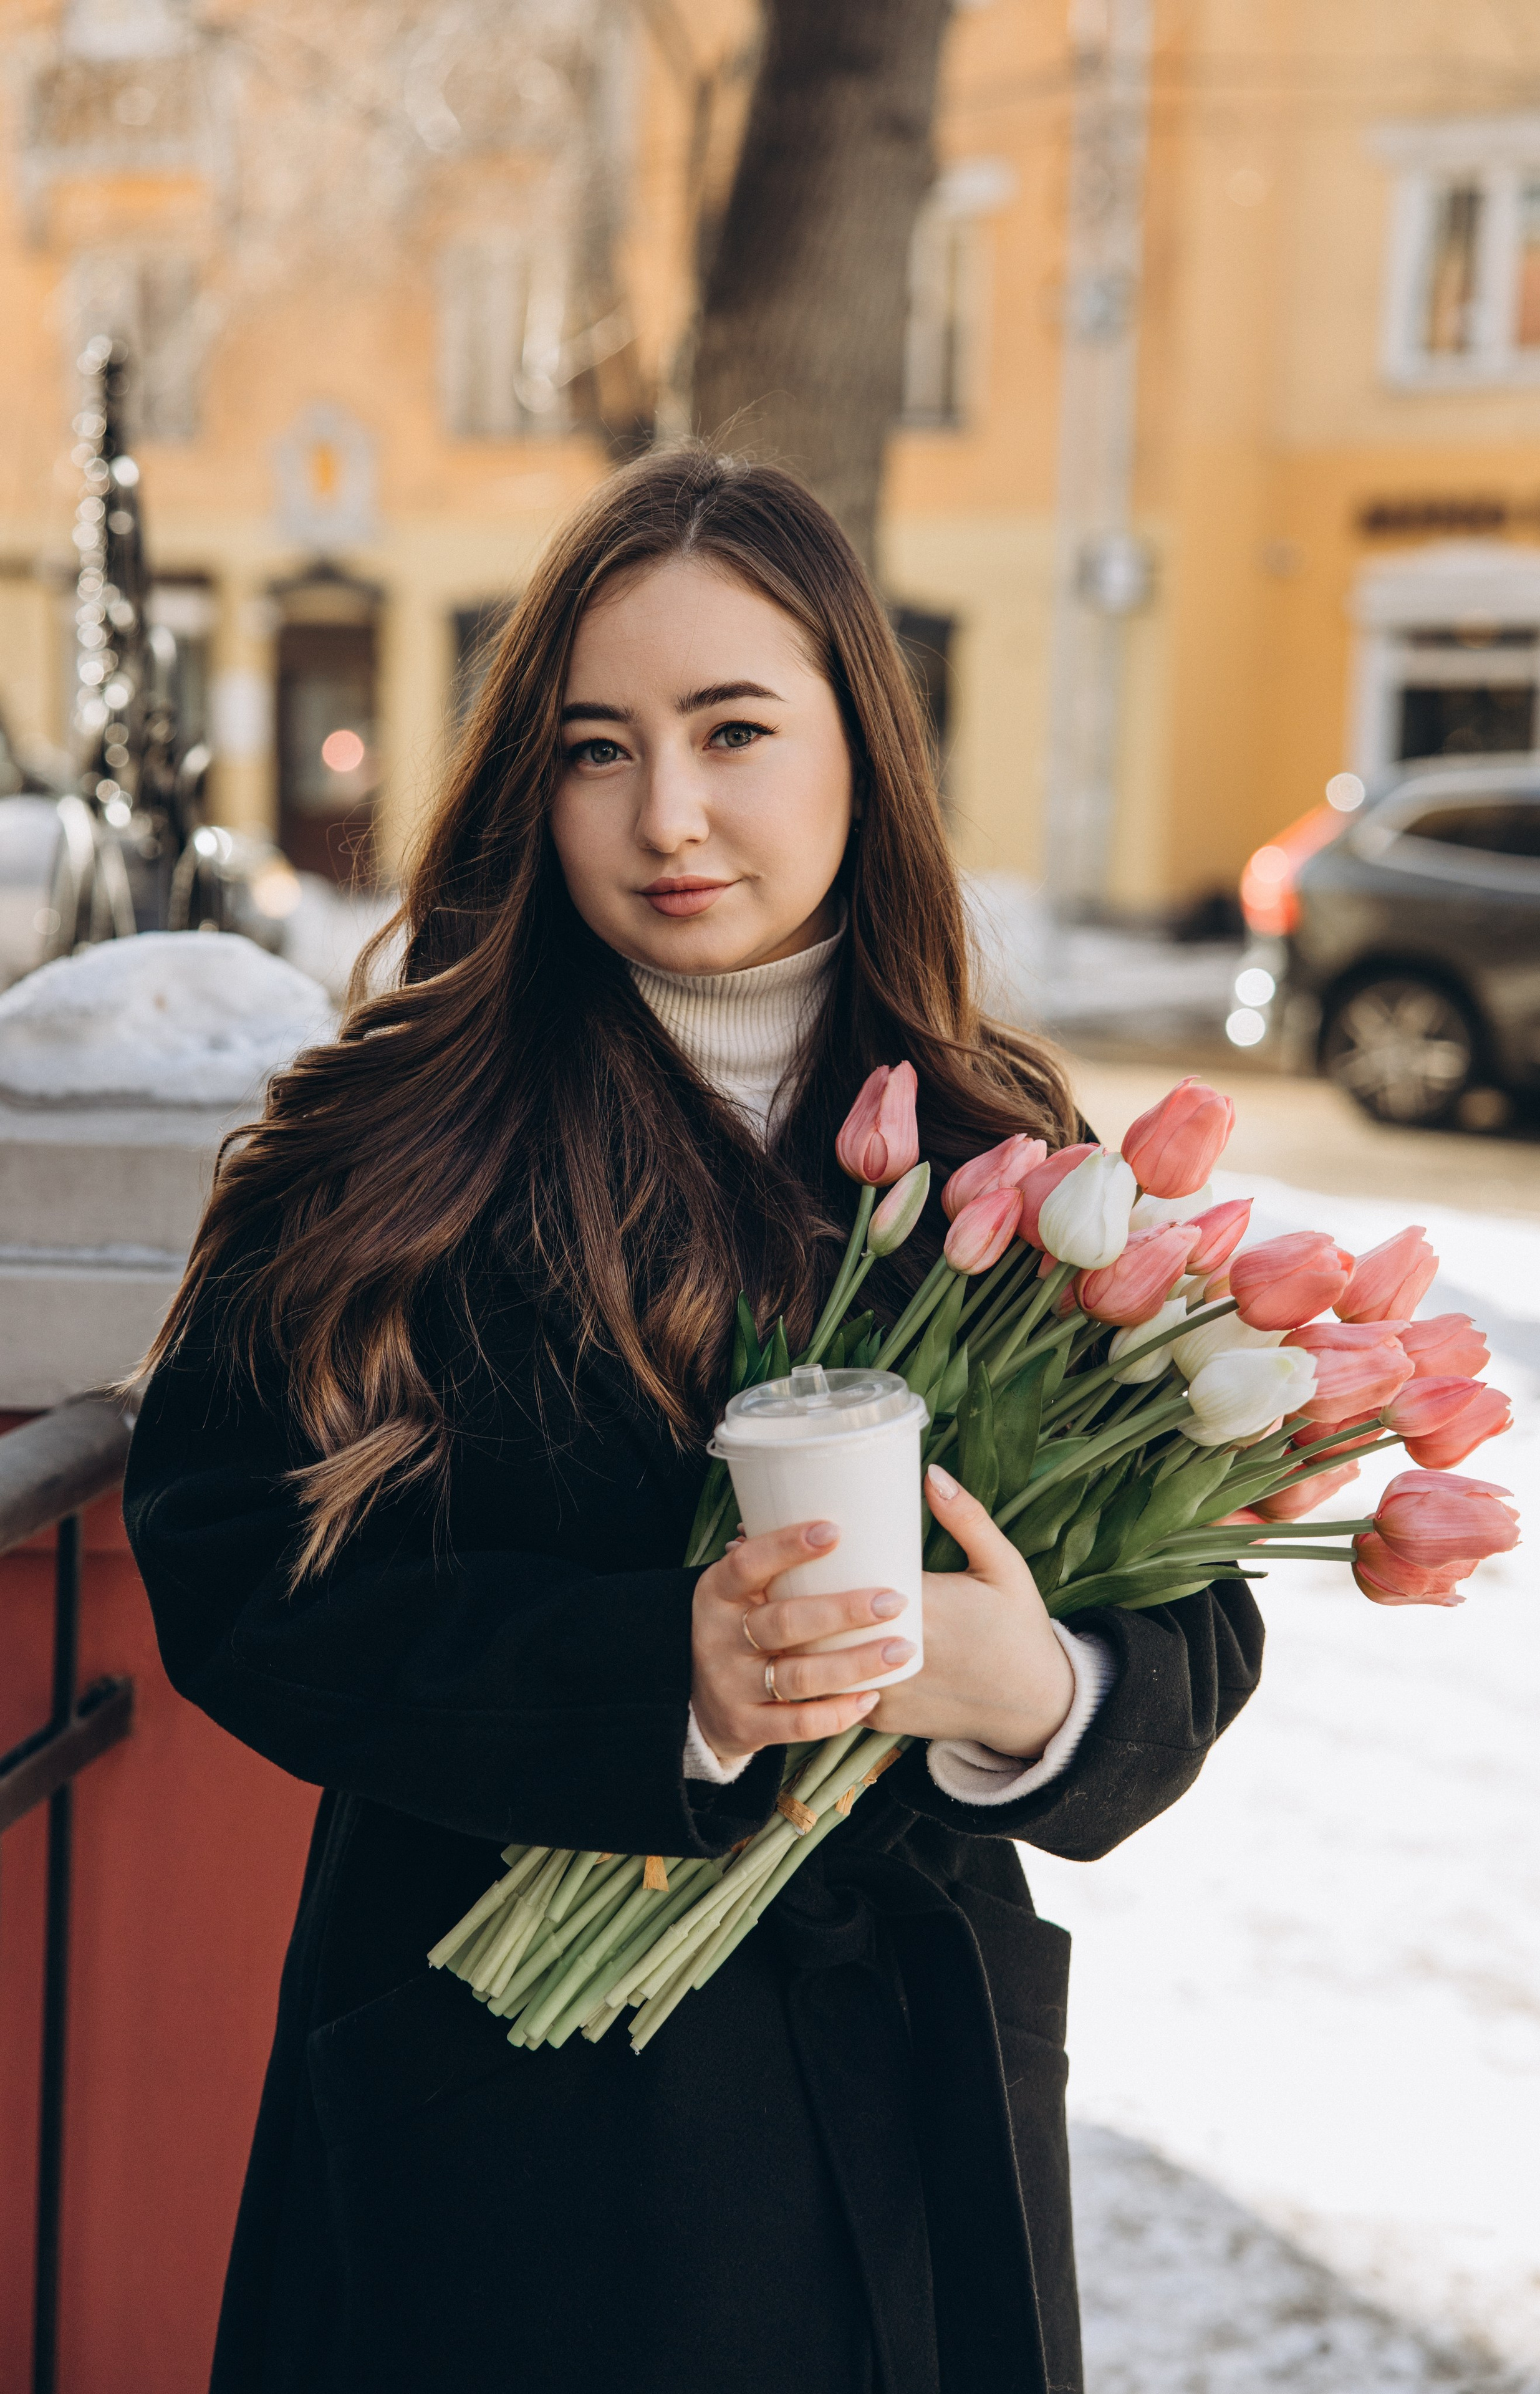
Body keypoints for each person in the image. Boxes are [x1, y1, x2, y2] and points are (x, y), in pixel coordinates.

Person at [124, 448, 1263, 2394]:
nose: (669, 815)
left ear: (856, 747)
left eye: (735, 730)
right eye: (595, 748)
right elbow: (239, 1577)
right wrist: (674, 1681)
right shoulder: (392, 1137)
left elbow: (1206, 1613)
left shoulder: (1009, 1149)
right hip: (505, 2138)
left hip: (901, 2120)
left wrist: (1033, 1686)